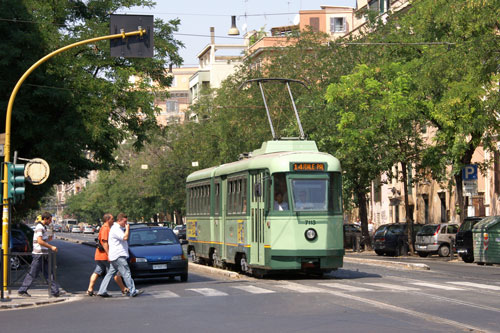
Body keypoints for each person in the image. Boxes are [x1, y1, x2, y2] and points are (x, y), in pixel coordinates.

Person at [97, 213, 143, 297]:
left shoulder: (116, 228)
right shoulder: (116, 229)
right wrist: (127, 229)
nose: (126, 223)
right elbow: (125, 238)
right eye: (125, 221)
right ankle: (132, 290)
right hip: (118, 255)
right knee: (126, 272)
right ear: (119, 220)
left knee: (110, 273)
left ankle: (102, 290)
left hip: (115, 255)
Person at [18, 212, 61, 297]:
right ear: (45, 219)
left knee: (49, 273)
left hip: (43, 254)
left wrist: (50, 238)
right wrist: (51, 247)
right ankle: (22, 290)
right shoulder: (39, 227)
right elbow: (40, 241)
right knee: (33, 273)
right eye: (50, 220)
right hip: (39, 254)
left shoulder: (43, 227)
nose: (50, 222)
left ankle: (55, 291)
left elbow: (43, 240)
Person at [86, 213, 128, 296]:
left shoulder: (107, 227)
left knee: (97, 271)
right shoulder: (105, 228)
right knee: (115, 272)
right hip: (105, 255)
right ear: (107, 220)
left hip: (100, 255)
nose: (113, 220)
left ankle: (90, 289)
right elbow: (104, 242)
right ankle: (124, 289)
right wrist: (109, 254)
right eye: (112, 219)